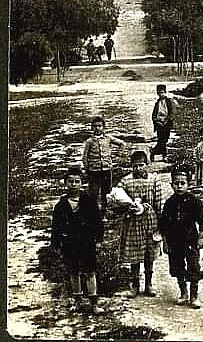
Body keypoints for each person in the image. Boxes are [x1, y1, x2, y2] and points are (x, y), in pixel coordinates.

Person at [50, 167, 104, 315]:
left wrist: (98, 239)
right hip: (70, 243)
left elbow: (97, 221)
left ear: (81, 183)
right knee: (74, 272)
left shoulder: (89, 201)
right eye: (70, 182)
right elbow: (56, 226)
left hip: (87, 242)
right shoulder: (61, 205)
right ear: (65, 183)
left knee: (90, 272)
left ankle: (94, 303)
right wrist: (55, 243)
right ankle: (78, 300)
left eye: (77, 181)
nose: (74, 184)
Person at [117, 149, 163, 298]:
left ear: (147, 164)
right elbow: (117, 199)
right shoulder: (126, 181)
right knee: (134, 255)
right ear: (131, 166)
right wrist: (126, 207)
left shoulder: (154, 180)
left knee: (149, 254)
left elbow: (158, 203)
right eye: (135, 166)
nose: (138, 169)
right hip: (133, 223)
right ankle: (135, 284)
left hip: (150, 222)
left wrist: (160, 223)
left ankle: (148, 284)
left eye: (141, 165)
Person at [159, 168, 203, 308]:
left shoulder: (194, 201)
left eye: (182, 183)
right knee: (177, 267)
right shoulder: (169, 203)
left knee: (194, 267)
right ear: (171, 184)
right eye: (176, 183)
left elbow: (202, 220)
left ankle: (194, 296)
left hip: (191, 241)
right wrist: (165, 242)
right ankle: (183, 293)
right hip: (174, 242)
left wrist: (201, 238)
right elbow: (163, 224)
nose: (179, 186)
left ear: (188, 184)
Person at [82, 116, 126, 218]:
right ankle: (93, 212)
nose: (97, 128)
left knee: (107, 192)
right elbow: (85, 156)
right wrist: (87, 168)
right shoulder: (89, 141)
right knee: (93, 192)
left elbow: (121, 143)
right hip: (94, 171)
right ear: (92, 128)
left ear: (104, 127)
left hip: (107, 170)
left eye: (99, 126)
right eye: (95, 126)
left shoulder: (108, 138)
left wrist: (119, 154)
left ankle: (105, 211)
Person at [151, 84, 177, 163]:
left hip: (167, 123)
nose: (161, 94)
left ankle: (153, 152)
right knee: (161, 140)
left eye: (162, 92)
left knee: (164, 140)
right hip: (159, 124)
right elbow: (154, 115)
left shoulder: (169, 101)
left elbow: (173, 112)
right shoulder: (157, 103)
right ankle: (164, 155)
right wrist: (156, 120)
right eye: (159, 93)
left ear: (165, 92)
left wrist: (167, 120)